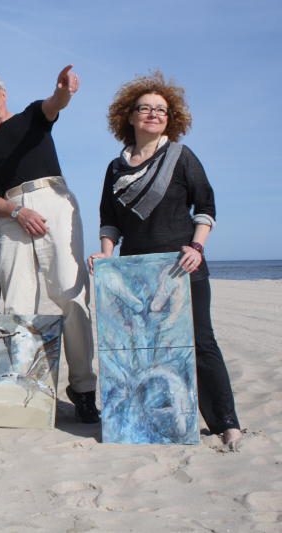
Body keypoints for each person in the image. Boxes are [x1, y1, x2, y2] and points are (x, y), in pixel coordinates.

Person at [87, 71, 241, 446]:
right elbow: (110, 218)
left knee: (201, 342)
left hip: (181, 266)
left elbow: (205, 207)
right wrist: (106, 255)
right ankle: (144, 421)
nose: (154, 114)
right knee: (141, 346)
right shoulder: (116, 167)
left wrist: (197, 247)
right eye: (146, 108)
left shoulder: (181, 157)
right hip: (137, 272)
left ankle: (226, 423)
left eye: (162, 110)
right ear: (130, 115)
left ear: (171, 119)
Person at [0, 66, 99, 423]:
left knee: (71, 297)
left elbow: (55, 104)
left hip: (53, 199)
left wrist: (65, 90)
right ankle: (23, 389)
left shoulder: (30, 117)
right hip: (11, 214)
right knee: (15, 303)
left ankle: (84, 389)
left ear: (2, 93)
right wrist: (17, 211)